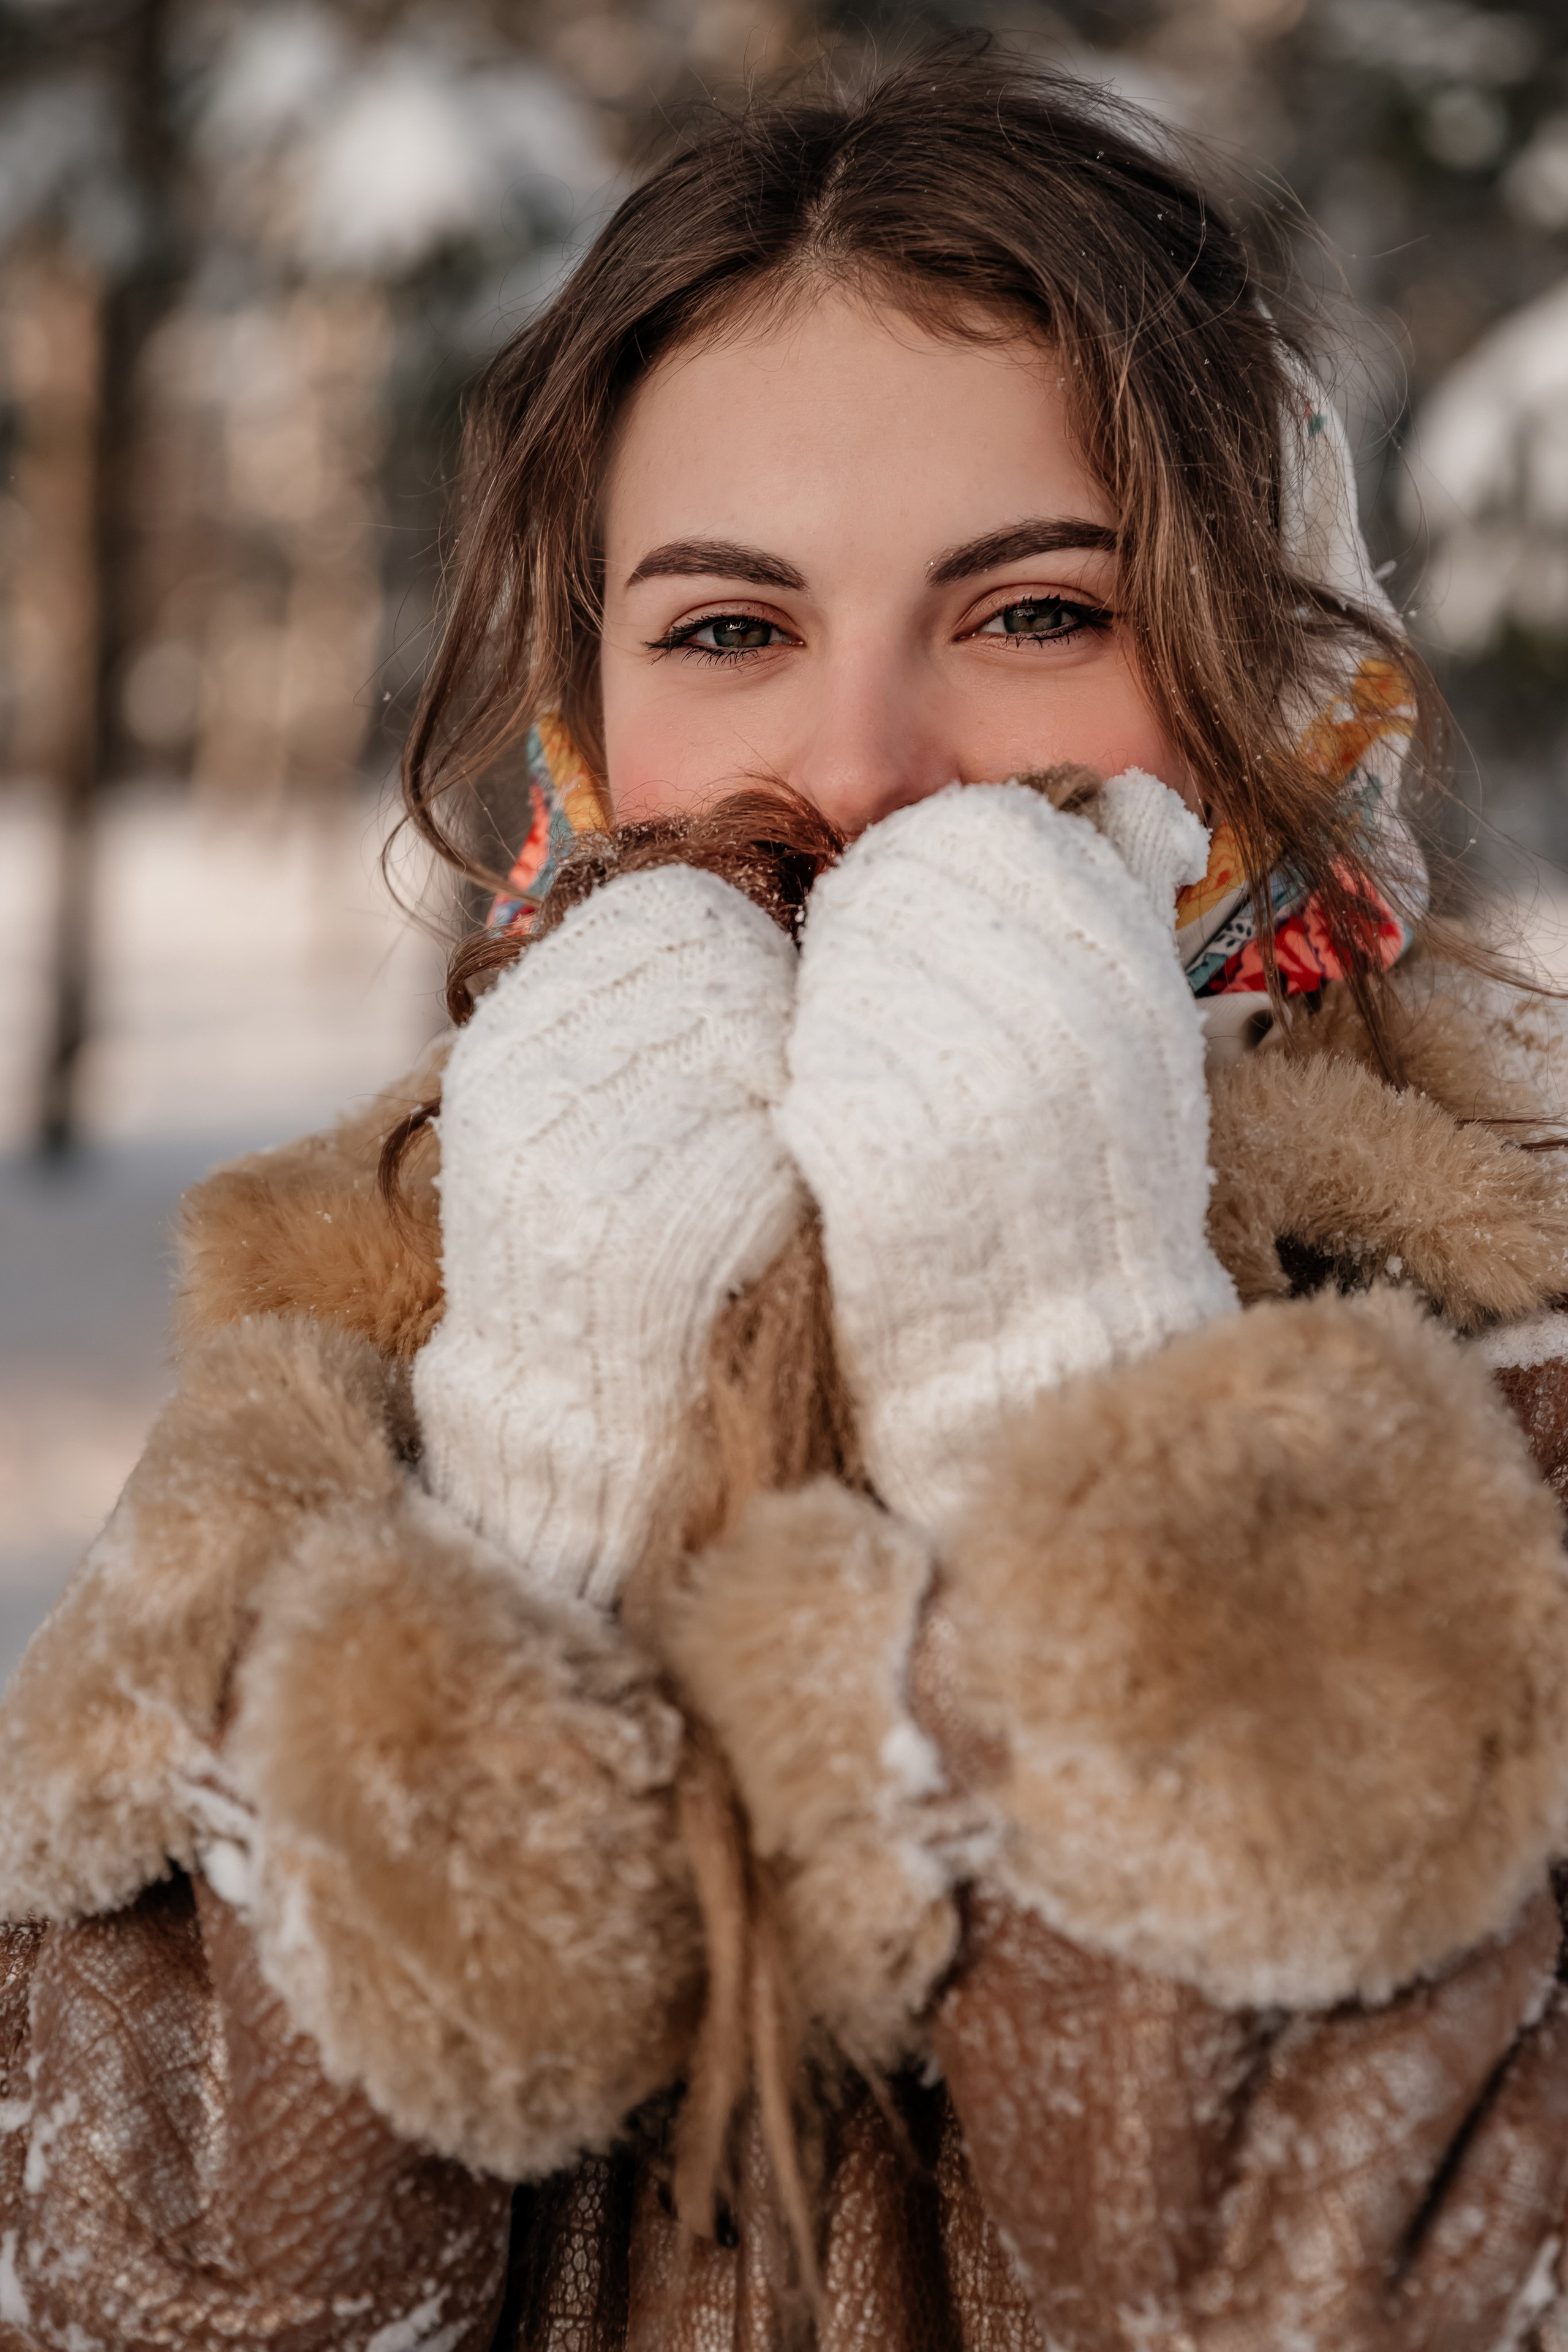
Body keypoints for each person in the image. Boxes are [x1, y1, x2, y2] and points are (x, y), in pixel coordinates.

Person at [2, 49, 1568, 2352]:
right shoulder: (330, 1392)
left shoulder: (1515, 1407)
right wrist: (505, 1523)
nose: (861, 774)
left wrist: (1086, 1435)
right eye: (730, 632)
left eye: (1037, 613)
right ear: (580, 725)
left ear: (1278, 676)